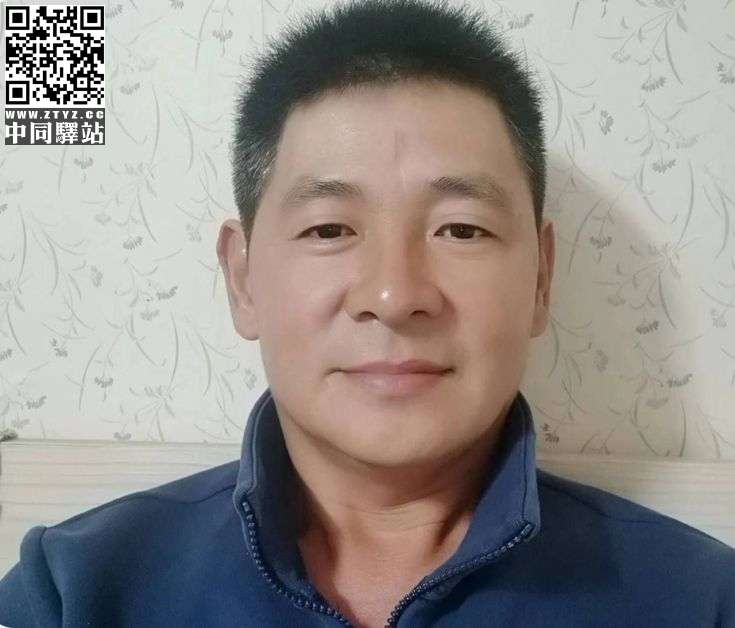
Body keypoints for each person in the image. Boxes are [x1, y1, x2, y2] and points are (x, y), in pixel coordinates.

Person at [1, 0, 734, 626]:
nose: (394, 295)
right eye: (329, 229)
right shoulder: (72, 591)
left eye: (461, 230)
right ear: (243, 279)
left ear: (540, 278)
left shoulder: (700, 600)